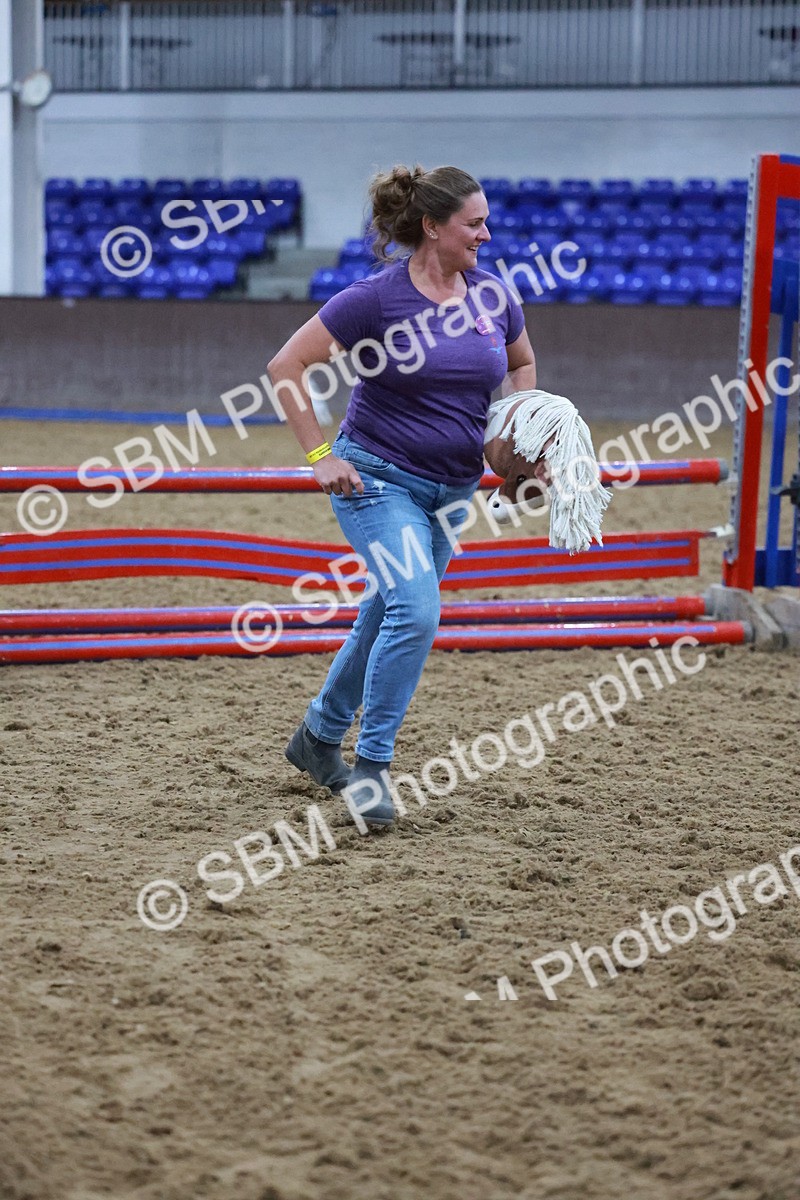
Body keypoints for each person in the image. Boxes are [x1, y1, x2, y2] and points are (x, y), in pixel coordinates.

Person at [267, 163, 537, 830]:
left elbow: (521, 364)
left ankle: (318, 737)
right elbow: (286, 365)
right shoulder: (375, 300)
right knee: (415, 612)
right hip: (375, 479)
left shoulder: (494, 297)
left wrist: (519, 439)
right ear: (433, 226)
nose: (487, 235)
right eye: (475, 223)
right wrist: (320, 456)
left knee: (387, 610)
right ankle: (372, 768)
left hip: (453, 488)